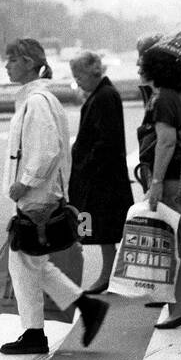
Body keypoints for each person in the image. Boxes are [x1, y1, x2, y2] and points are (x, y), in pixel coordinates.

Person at [0, 37, 108, 355]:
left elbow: (48, 150)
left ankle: (38, 332)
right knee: (30, 261)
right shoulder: (37, 99)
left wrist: (25, 182)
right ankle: (83, 309)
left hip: (38, 194)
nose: (7, 65)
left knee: (25, 259)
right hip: (41, 193)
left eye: (13, 60)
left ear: (31, 63)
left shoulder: (37, 102)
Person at [136, 44, 181, 330]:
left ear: (155, 69)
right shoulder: (175, 96)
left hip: (173, 179)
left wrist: (156, 182)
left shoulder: (162, 99)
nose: (139, 68)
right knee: (176, 245)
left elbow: (166, 141)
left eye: (143, 64)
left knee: (174, 246)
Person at [68, 51, 133, 293]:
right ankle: (110, 273)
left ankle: (108, 274)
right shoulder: (101, 93)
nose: (78, 80)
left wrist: (86, 162)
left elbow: (107, 138)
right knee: (101, 228)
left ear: (94, 71)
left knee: (103, 227)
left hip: (103, 176)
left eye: (80, 75)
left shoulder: (105, 96)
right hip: (100, 174)